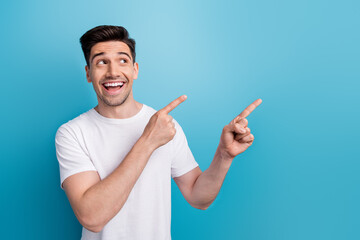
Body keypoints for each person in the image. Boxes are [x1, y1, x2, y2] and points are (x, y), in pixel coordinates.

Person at [55, 25, 262, 240]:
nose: (113, 72)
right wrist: (148, 142)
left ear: (135, 69)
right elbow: (92, 217)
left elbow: (199, 198)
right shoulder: (72, 133)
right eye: (101, 62)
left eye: (122, 60)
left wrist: (224, 156)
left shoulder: (165, 125)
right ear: (89, 73)